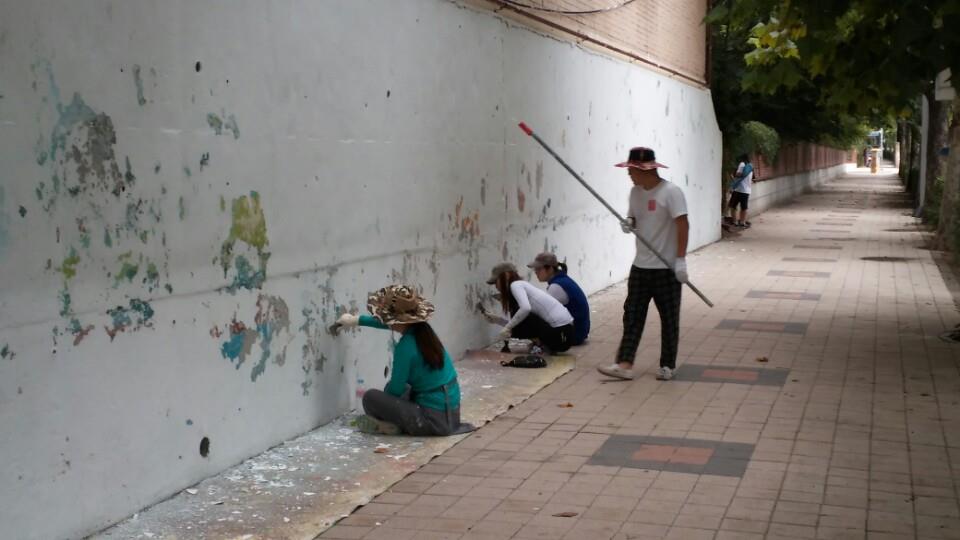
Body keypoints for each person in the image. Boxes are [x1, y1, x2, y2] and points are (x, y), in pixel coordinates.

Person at [598, 146, 689, 381]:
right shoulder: (635, 192)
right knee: (632, 315)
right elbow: (634, 218)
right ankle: (625, 364)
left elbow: (683, 225)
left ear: (645, 169)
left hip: (666, 268)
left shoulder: (671, 192)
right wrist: (628, 223)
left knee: (669, 318)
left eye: (632, 170)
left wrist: (680, 260)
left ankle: (667, 364)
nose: (629, 174)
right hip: (641, 266)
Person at [335, 285, 472, 436]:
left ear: (396, 321)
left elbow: (395, 390)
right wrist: (357, 320)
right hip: (450, 415)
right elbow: (389, 324)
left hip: (432, 422)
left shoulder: (405, 347)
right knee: (404, 389)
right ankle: (392, 421)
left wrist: (385, 403)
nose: (387, 322)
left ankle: (389, 424)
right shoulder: (424, 332)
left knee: (371, 397)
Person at [485, 262, 575, 355]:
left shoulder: (515, 285)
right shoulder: (522, 285)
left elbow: (525, 309)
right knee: (519, 316)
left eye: (496, 281)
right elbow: (518, 321)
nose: (496, 286)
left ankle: (541, 346)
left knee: (520, 313)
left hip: (561, 335)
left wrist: (508, 327)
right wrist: (498, 320)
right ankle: (542, 344)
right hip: (565, 334)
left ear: (507, 276)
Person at [527, 252, 590, 346]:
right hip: (580, 331)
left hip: (574, 335)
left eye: (539, 269)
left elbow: (541, 311)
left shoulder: (556, 286)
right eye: (535, 269)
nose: (536, 272)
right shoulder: (562, 280)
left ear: (550, 269)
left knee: (531, 318)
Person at [727, 154, 753, 228]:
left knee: (732, 206)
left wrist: (733, 175)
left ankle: (735, 222)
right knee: (744, 207)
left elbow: (738, 174)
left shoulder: (742, 164)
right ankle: (742, 223)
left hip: (739, 190)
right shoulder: (750, 166)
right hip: (747, 190)